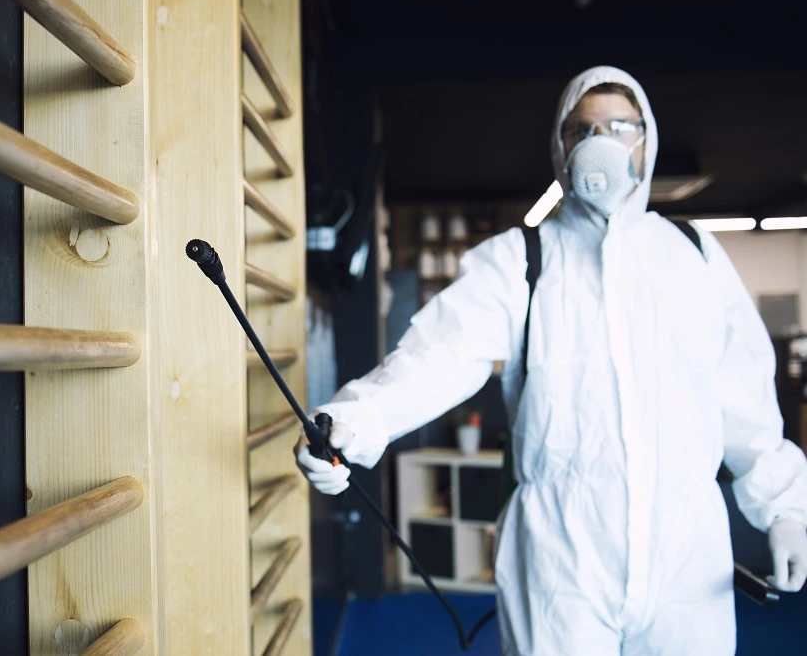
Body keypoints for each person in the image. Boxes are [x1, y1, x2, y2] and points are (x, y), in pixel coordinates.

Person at [294, 66, 807, 655]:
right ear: (561, 149)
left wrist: (784, 509)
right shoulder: (520, 260)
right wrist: (354, 424)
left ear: (648, 138)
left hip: (688, 557)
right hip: (562, 558)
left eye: (620, 126)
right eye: (582, 130)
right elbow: (437, 355)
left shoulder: (693, 254)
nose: (602, 143)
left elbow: (743, 397)